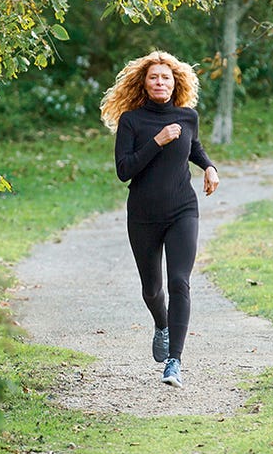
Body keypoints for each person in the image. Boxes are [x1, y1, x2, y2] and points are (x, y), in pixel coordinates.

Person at [99, 50, 219, 388]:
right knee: (152, 290)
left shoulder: (187, 116)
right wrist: (157, 140)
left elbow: (193, 146)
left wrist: (208, 166)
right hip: (143, 216)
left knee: (179, 282)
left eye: (166, 77)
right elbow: (125, 170)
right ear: (144, 83)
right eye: (154, 77)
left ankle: (174, 362)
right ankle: (161, 324)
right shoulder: (132, 121)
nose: (160, 82)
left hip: (183, 210)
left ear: (175, 82)